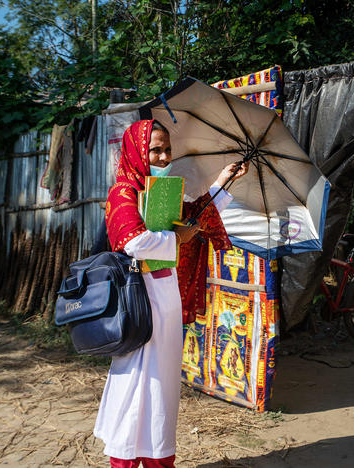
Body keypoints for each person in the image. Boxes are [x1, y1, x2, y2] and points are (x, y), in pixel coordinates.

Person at [95, 119, 247, 468]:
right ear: (136, 151)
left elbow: (196, 218)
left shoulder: (160, 193)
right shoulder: (123, 193)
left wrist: (224, 180)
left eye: (167, 150)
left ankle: (156, 459)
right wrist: (177, 239)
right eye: (155, 150)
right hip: (139, 300)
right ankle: (127, 461)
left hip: (164, 297)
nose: (163, 157)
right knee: (136, 385)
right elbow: (132, 241)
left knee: (161, 390)